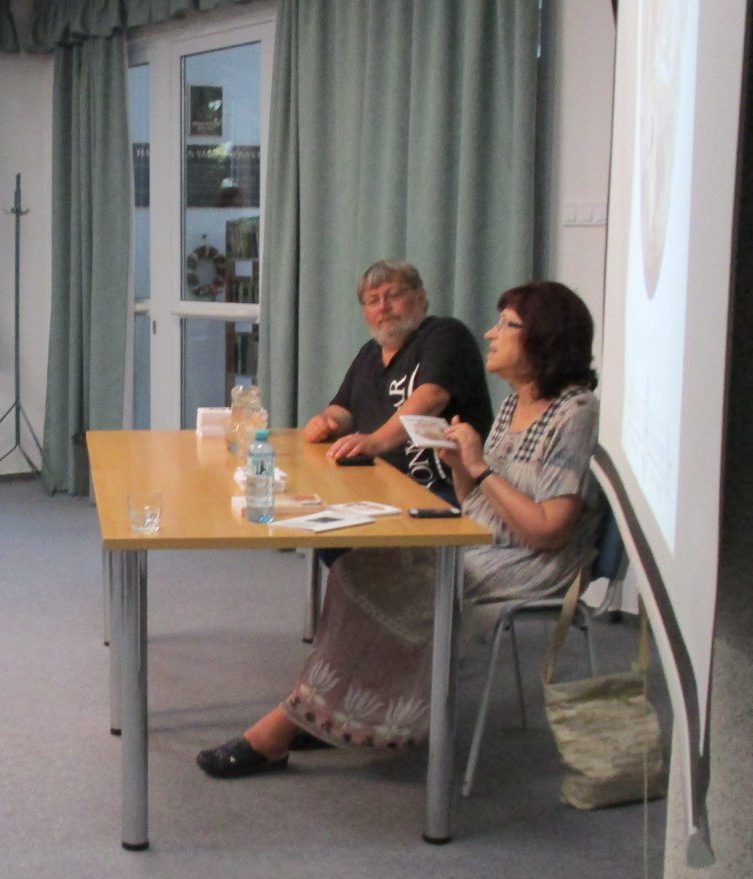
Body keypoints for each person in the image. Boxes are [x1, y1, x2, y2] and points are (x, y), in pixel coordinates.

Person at [196, 280, 600, 779]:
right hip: (480, 537)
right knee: (360, 570)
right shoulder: (517, 401)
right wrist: (459, 463)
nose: (492, 334)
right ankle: (322, 709)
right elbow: (476, 502)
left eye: (507, 325)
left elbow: (549, 532)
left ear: (545, 336)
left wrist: (479, 466)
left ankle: (282, 729)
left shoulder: (575, 412)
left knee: (394, 591)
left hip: (526, 561)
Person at [303, 261, 494, 497]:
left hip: (444, 488)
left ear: (420, 297)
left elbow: (431, 398)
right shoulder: (368, 353)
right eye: (373, 300)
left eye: (393, 295)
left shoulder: (445, 334)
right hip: (381, 483)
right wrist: (326, 422)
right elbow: (343, 409)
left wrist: (374, 441)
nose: (383, 307)